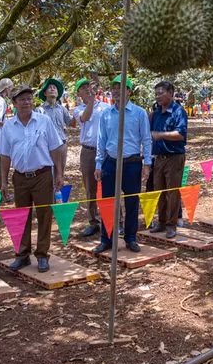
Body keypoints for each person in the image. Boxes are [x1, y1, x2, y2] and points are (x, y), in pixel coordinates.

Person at [0, 86, 64, 273]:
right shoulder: (9, 127)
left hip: (43, 175)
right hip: (20, 177)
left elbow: (55, 148)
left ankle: (42, 255)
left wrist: (58, 173)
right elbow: (4, 155)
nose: (26, 102)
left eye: (29, 99)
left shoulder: (44, 121)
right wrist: (3, 181)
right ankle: (22, 255)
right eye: (22, 99)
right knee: (21, 216)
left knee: (44, 215)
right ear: (14, 103)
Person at [93, 75, 152, 254]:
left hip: (132, 163)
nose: (117, 91)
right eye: (114, 87)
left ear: (129, 91)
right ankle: (106, 239)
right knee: (108, 202)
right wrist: (98, 163)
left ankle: (131, 238)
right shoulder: (106, 114)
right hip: (110, 163)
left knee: (132, 201)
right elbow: (101, 140)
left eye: (121, 87)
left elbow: (146, 139)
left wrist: (147, 163)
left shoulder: (139, 113)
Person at [148, 81, 188, 239]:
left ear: (171, 93)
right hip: (158, 158)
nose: (158, 96)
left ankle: (172, 225)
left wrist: (160, 135)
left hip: (174, 158)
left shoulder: (179, 112)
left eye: (161, 93)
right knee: (160, 191)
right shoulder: (156, 112)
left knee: (172, 192)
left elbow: (180, 134)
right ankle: (162, 222)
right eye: (156, 93)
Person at [72, 78, 110, 238]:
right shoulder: (77, 109)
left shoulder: (106, 107)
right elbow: (86, 117)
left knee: (110, 186)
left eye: (89, 86)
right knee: (90, 188)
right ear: (78, 93)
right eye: (83, 87)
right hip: (88, 151)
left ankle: (115, 220)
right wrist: (93, 100)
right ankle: (93, 221)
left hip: (107, 152)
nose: (87, 89)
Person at [35, 77, 73, 178]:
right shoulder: (39, 110)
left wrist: (79, 112)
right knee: (46, 174)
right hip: (46, 147)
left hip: (61, 145)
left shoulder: (62, 109)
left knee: (59, 175)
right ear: (44, 93)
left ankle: (58, 193)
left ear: (57, 93)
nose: (52, 89)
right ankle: (48, 193)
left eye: (54, 88)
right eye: (49, 88)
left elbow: (72, 123)